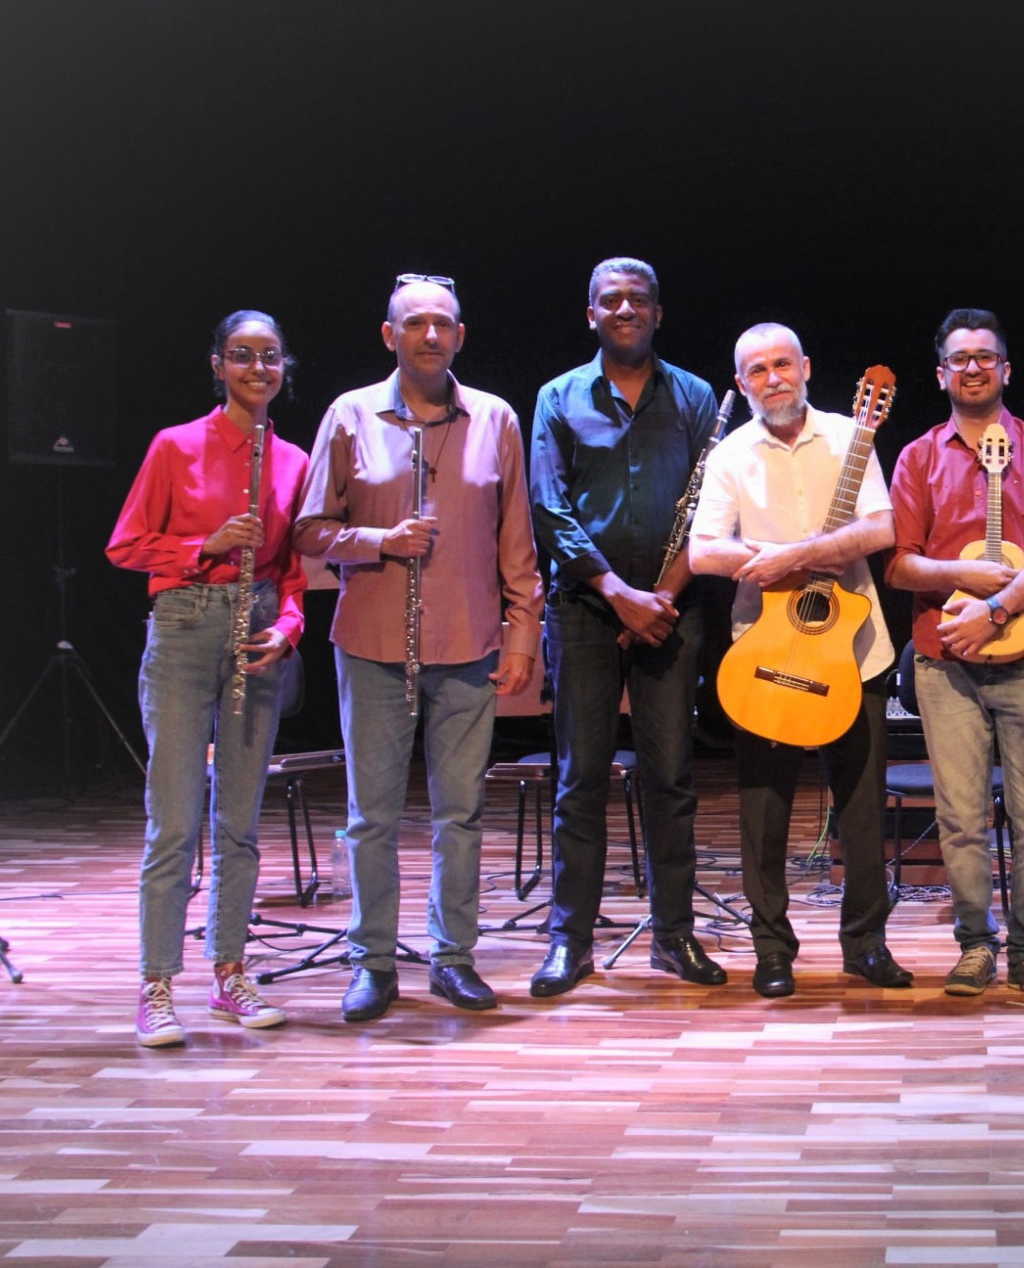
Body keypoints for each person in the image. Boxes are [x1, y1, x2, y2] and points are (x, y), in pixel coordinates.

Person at [294, 275, 543, 1022]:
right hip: (371, 646)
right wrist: (377, 540)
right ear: (389, 335)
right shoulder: (349, 415)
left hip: (467, 643)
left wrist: (522, 635)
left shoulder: (495, 418)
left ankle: (452, 958)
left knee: (459, 813)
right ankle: (371, 962)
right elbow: (309, 530)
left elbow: (517, 543)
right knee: (370, 815)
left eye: (443, 324)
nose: (429, 335)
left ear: (460, 336)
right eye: (415, 323)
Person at [107, 309, 310, 1047]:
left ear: (284, 368)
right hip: (186, 628)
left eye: (271, 357)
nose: (258, 368)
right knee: (175, 821)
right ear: (218, 365)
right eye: (242, 355)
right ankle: (156, 985)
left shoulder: (292, 460)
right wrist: (205, 544)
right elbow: (125, 545)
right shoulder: (176, 446)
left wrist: (288, 629)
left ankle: (229, 973)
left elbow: (292, 573)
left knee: (241, 825)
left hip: (253, 634)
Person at [689, 322, 911, 998]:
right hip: (764, 653)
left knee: (863, 808)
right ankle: (771, 950)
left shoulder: (852, 437)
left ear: (806, 368)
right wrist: (774, 560)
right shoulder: (730, 454)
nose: (772, 378)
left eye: (782, 364)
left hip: (855, 654)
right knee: (763, 808)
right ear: (740, 383)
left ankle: (865, 945)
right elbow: (702, 551)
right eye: (756, 370)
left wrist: (803, 553)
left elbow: (881, 528)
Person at [526, 258, 728, 995]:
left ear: (657, 313)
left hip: (672, 612)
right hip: (583, 610)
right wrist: (617, 594)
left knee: (669, 779)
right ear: (590, 314)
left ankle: (673, 938)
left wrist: (659, 599)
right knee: (578, 780)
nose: (624, 308)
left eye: (638, 299)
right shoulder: (557, 397)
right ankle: (569, 942)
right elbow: (548, 508)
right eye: (609, 300)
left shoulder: (697, 397)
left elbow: (712, 504)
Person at [885, 308, 1024, 1004]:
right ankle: (975, 945)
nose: (973, 366)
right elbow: (900, 566)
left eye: (986, 356)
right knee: (961, 819)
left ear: (1006, 369)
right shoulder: (916, 457)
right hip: (947, 663)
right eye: (959, 357)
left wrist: (996, 609)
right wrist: (961, 581)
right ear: (940, 373)